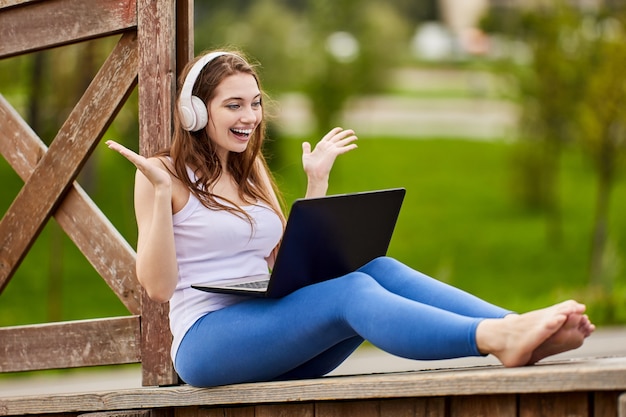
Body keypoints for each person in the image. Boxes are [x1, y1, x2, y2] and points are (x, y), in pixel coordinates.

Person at [106, 49, 595, 388]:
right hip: (208, 341)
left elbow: (287, 265)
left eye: (254, 104)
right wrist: (158, 196)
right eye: (232, 105)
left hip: (268, 327)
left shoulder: (248, 167)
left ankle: (517, 326)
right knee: (352, 293)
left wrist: (316, 185)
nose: (249, 117)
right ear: (194, 112)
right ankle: (497, 339)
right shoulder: (162, 173)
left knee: (374, 270)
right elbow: (160, 288)